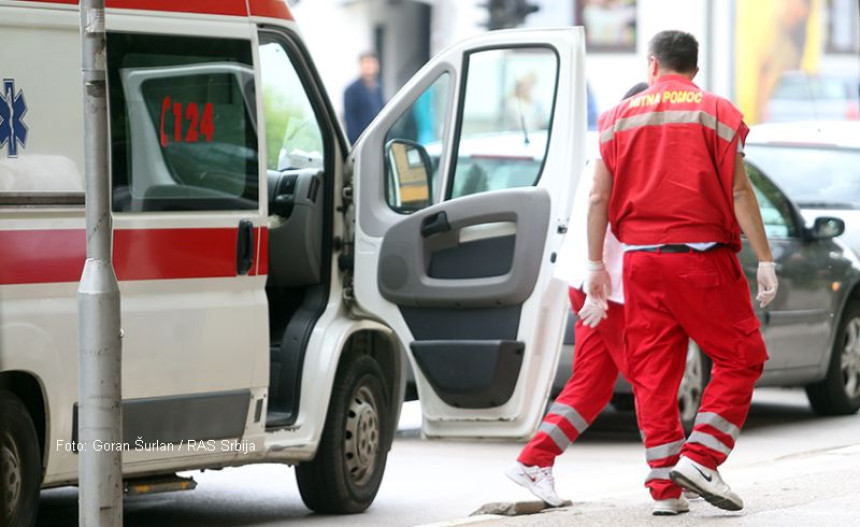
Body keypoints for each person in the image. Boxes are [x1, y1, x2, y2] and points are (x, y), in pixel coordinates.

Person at [586, 30, 778, 514]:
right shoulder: (716, 112)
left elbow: (597, 199)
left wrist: (594, 265)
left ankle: (665, 492)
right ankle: (702, 457)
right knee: (743, 355)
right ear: (695, 69)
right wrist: (766, 260)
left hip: (641, 263)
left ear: (652, 66)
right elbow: (739, 193)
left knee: (653, 374)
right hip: (701, 259)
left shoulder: (614, 119)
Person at [505, 82, 649, 510]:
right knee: (649, 378)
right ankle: (672, 473)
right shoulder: (622, 148)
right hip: (605, 287)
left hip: (593, 284)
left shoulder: (610, 142)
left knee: (593, 385)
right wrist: (596, 285)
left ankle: (534, 461)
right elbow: (600, 214)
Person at [343, 51, 384, 144]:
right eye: (366, 63)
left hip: (377, 138)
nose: (369, 66)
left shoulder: (379, 87)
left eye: (372, 62)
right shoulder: (351, 90)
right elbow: (350, 120)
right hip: (361, 140)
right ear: (360, 65)